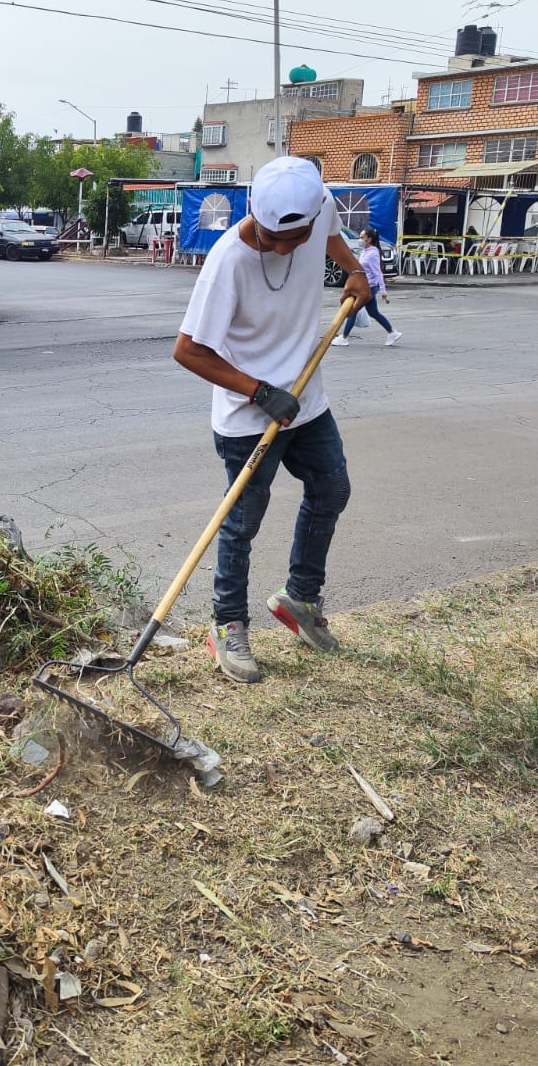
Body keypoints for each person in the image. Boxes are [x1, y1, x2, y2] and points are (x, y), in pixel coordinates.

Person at [172, 155, 371, 684]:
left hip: (307, 398)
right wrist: (259, 391)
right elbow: (188, 351)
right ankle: (227, 624)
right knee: (241, 524)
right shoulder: (227, 264)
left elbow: (330, 234)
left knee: (332, 489)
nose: (282, 249)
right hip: (248, 415)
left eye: (294, 239)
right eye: (270, 237)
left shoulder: (319, 207)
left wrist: (353, 270)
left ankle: (299, 599)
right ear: (254, 214)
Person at [332, 228, 400, 347]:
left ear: (369, 239)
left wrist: (383, 290)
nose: (360, 239)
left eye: (362, 237)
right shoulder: (365, 251)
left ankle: (344, 337)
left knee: (353, 310)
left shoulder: (373, 253)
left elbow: (378, 272)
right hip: (363, 286)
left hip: (368, 288)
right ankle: (392, 332)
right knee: (373, 312)